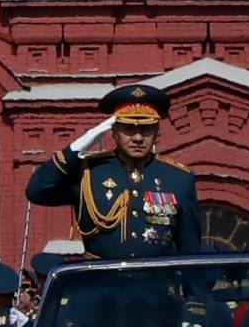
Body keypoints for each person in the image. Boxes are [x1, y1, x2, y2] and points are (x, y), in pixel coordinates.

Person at [25, 83, 202, 258]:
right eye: (128, 129)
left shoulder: (178, 178)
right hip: (101, 283)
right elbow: (36, 191)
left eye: (146, 129)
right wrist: (75, 148)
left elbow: (190, 250)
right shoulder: (89, 172)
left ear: (157, 131)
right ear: (114, 132)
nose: (138, 138)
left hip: (154, 284)